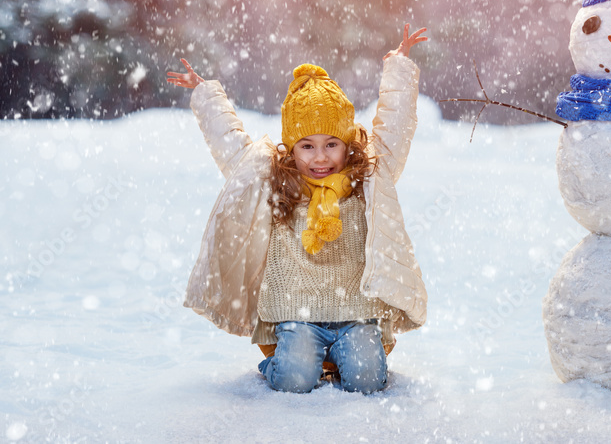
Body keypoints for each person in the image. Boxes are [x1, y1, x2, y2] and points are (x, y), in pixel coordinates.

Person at [167, 24, 429, 394]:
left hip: (356, 313)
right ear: (291, 147)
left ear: (347, 143)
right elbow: (231, 144)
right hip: (298, 316)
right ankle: (294, 359)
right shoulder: (272, 180)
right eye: (306, 145)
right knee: (294, 379)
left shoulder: (367, 177)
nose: (320, 157)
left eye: (331, 144)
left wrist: (399, 67)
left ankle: (341, 355)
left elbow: (396, 126)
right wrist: (204, 93)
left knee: (368, 380)